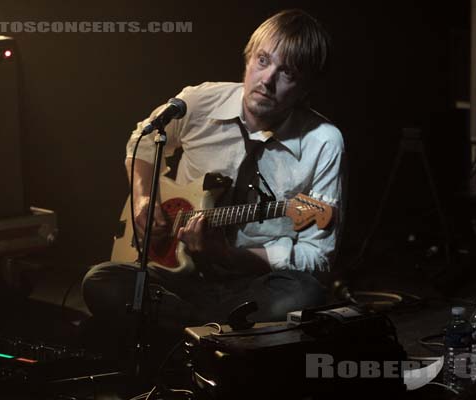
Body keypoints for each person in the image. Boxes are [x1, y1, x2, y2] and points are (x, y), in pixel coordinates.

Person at [82, 9, 345, 332]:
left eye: (287, 73)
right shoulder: (198, 101)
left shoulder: (324, 142)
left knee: (306, 294)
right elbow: (144, 140)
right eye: (263, 61)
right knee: (101, 280)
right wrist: (142, 199)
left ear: (305, 88)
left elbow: (316, 258)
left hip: (254, 286)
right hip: (180, 276)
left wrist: (229, 255)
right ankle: (221, 331)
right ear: (248, 59)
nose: (267, 80)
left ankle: (185, 328)